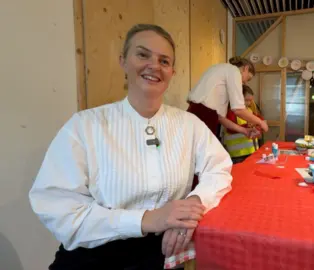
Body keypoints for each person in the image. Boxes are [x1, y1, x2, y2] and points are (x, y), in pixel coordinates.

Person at [28, 24, 233, 269]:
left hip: (159, 254)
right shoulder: (85, 125)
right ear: (123, 61)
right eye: (143, 55)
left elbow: (219, 169)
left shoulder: (190, 125)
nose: (154, 66)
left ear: (172, 72)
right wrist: (146, 220)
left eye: (164, 61)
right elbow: (59, 208)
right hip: (93, 256)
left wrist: (193, 205)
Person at [187, 56, 268, 137]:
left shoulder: (220, 69)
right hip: (203, 115)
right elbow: (238, 110)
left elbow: (220, 118)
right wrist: (260, 122)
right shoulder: (234, 71)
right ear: (245, 68)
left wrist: (245, 131)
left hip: (196, 113)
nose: (246, 83)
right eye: (248, 78)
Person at [221, 85, 262, 163]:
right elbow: (230, 129)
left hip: (250, 151)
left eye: (250, 100)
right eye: (246, 100)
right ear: (238, 97)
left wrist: (259, 125)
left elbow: (259, 119)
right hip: (237, 154)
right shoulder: (231, 111)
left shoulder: (249, 110)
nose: (249, 103)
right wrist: (247, 126)